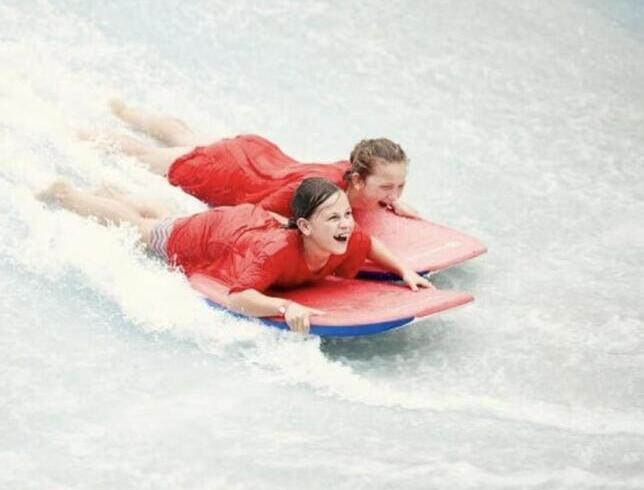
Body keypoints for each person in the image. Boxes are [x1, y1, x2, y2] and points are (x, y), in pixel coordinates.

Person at [36, 177, 432, 334]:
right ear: (305, 227)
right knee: (146, 233)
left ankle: (117, 191)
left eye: (346, 214)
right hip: (213, 238)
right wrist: (282, 306)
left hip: (243, 225)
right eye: (334, 217)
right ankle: (69, 196)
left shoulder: (339, 239)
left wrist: (405, 271)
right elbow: (239, 296)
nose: (346, 223)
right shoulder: (276, 251)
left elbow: (369, 243)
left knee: (164, 219)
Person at [81, 99, 420, 220]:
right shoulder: (320, 193)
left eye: (400, 186)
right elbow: (260, 213)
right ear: (358, 180)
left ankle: (126, 110)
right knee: (148, 156)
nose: (395, 193)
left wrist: (390, 202)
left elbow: (378, 188)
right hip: (228, 173)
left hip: (256, 154)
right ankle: (77, 133)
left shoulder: (354, 170)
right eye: (387, 186)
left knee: (186, 141)